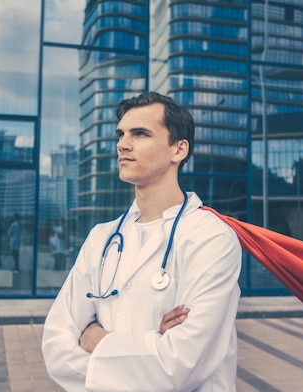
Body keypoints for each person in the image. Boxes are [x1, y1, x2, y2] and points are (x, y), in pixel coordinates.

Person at [42, 92, 242, 391]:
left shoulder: (211, 238)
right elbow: (57, 347)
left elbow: (178, 367)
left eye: (140, 133)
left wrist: (99, 341)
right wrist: (152, 344)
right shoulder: (102, 238)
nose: (123, 144)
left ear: (178, 149)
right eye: (121, 134)